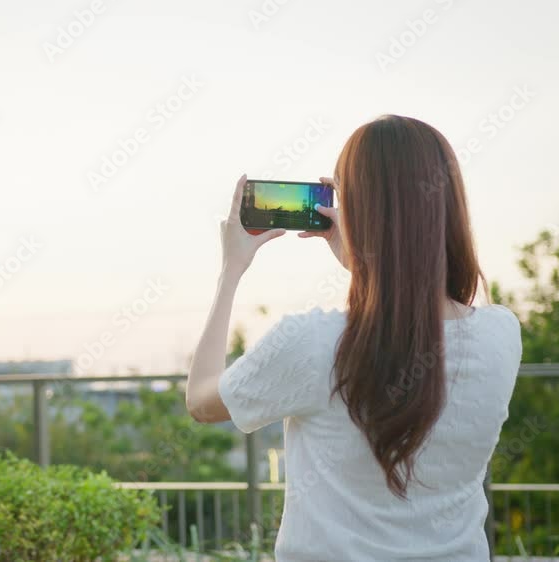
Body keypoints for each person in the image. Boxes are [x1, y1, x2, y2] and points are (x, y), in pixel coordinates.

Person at [185, 114, 523, 561]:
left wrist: (231, 271)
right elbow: (411, 321)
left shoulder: (314, 342)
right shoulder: (502, 334)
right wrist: (366, 261)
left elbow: (202, 401)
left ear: (361, 211)